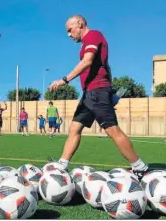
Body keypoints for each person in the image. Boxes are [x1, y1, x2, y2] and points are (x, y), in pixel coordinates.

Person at [49, 15, 148, 179]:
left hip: (97, 91)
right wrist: (111, 91)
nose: (69, 34)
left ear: (80, 24)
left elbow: (87, 61)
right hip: (90, 93)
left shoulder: (93, 35)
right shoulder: (87, 42)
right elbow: (106, 67)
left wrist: (64, 80)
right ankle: (62, 165)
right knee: (75, 128)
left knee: (112, 130)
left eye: (70, 30)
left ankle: (139, 166)